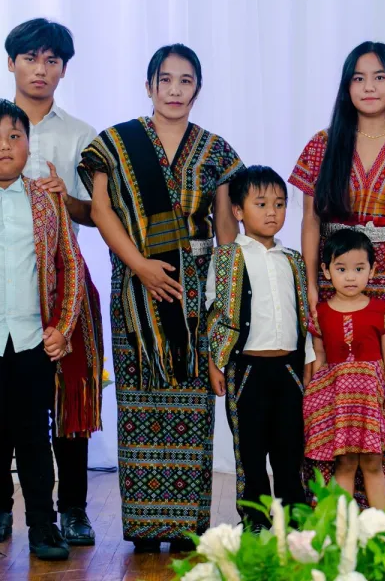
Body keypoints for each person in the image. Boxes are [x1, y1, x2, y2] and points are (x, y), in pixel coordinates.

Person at [78, 43, 244, 552]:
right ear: (148, 86)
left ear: (198, 88)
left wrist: (226, 300)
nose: (174, 90)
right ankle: (146, 528)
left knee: (193, 404)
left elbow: (225, 231)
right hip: (135, 292)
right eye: (165, 80)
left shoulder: (215, 152)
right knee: (140, 402)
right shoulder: (114, 144)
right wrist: (141, 266)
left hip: (194, 295)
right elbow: (101, 212)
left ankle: (188, 523)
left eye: (185, 81)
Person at [289, 41, 385, 508]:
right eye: (359, 78)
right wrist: (312, 284)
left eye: (379, 77)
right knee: (330, 385)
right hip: (331, 282)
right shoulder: (323, 145)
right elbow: (310, 220)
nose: (369, 87)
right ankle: (328, 516)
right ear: (346, 86)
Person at [0, 18, 102, 546]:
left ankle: (74, 509)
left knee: (69, 400)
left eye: (52, 60)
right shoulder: (1, 122)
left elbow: (97, 213)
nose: (40, 69)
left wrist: (66, 200)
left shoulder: (80, 134)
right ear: (11, 62)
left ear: (63, 68)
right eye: (30, 58)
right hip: (10, 288)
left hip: (64, 284)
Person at [206, 166, 314, 530]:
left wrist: (309, 359)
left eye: (279, 204)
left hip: (289, 370)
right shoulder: (226, 258)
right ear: (238, 210)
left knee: (290, 447)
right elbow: (215, 312)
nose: (272, 212)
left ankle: (294, 518)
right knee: (250, 450)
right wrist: (216, 363)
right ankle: (254, 519)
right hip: (246, 369)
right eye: (262, 203)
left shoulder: (293, 260)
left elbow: (304, 312)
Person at [304, 229, 385, 509]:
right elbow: (319, 356)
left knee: (373, 463)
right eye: (341, 269)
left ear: (372, 271)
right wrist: (314, 399)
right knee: (346, 462)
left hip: (370, 401)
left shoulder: (379, 309)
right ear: (326, 271)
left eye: (359, 269)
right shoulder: (321, 313)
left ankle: (380, 527)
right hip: (339, 402)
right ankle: (343, 527)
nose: (350, 277)